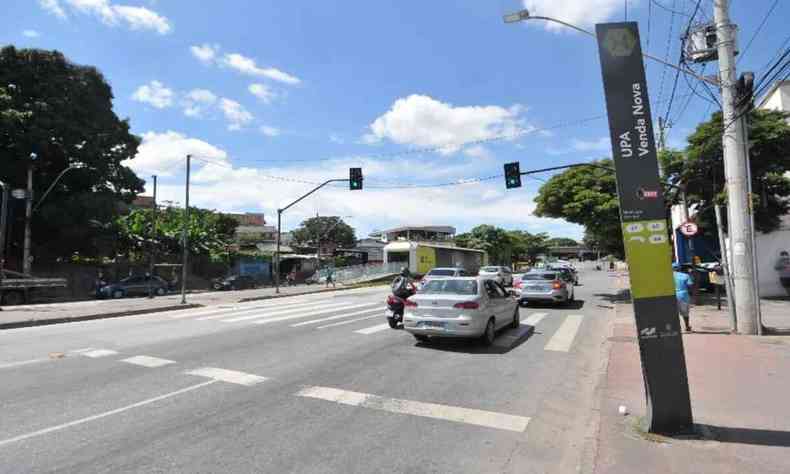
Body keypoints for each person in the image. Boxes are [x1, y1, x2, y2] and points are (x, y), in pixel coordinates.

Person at [673, 263, 694, 332]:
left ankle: (676, 328)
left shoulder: (668, 276)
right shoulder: (685, 275)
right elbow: (690, 285)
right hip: (683, 295)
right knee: (685, 313)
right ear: (679, 268)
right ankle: (687, 327)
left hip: (672, 296)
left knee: (674, 313)